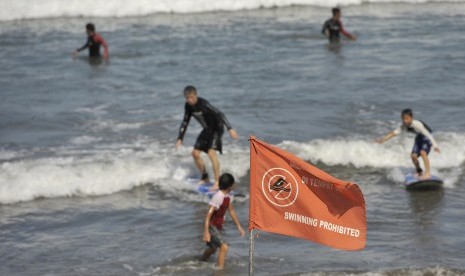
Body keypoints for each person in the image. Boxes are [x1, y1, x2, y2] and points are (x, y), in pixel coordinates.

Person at [176, 86, 238, 189]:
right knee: (195, 154)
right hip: (207, 130)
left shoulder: (203, 104)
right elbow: (185, 121)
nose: (189, 100)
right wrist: (180, 138)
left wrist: (229, 128)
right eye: (187, 98)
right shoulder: (188, 106)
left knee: (211, 152)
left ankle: (218, 182)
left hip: (217, 128)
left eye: (191, 97)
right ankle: (205, 177)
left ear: (196, 95)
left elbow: (219, 113)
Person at [377, 109, 440, 179]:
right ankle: (419, 171)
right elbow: (394, 133)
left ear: (411, 118)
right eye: (403, 119)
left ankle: (427, 173)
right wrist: (383, 140)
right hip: (419, 137)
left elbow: (428, 134)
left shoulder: (417, 124)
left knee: (423, 153)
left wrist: (435, 146)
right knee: (413, 156)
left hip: (427, 137)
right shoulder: (404, 126)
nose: (405, 121)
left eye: (407, 118)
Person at [201, 173, 245, 270]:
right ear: (230, 185)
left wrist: (239, 226)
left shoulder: (228, 196)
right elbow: (208, 215)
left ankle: (200, 262)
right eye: (233, 184)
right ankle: (220, 271)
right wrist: (206, 232)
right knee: (224, 247)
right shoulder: (218, 197)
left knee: (213, 249)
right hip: (211, 226)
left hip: (217, 226)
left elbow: (231, 210)